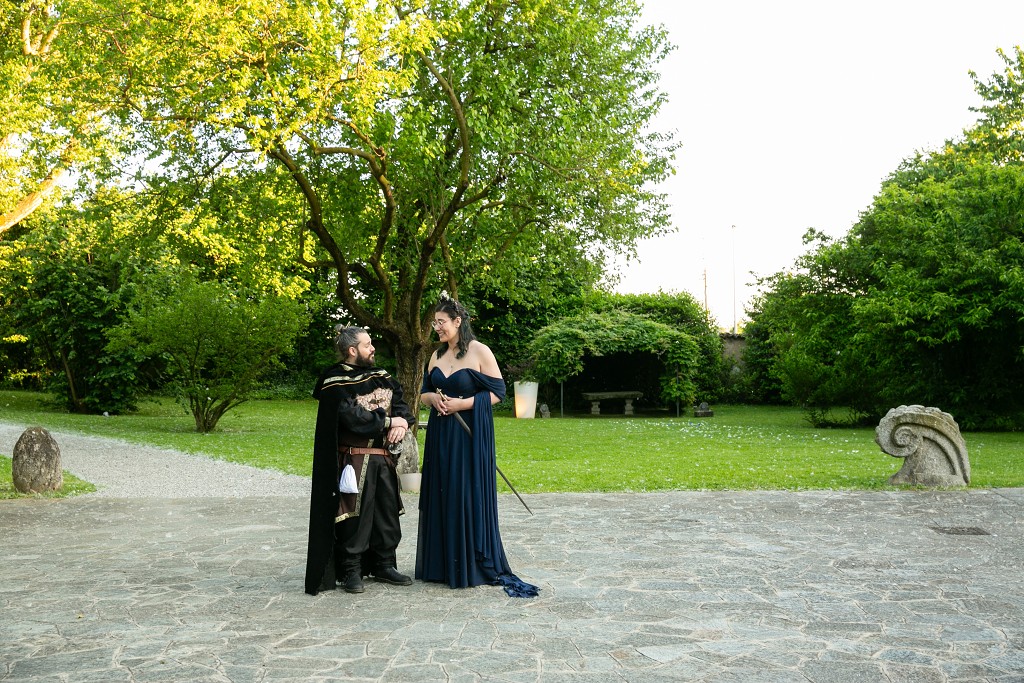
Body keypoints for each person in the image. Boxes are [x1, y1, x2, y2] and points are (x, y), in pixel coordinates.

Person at [415, 296, 539, 597]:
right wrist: (434, 400)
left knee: (463, 492)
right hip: (441, 434)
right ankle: (441, 565)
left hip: (468, 437)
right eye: (434, 322)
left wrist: (462, 403)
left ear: (457, 322)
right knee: (442, 490)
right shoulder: (435, 355)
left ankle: (469, 563)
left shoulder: (479, 351)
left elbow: (498, 392)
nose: (436, 327)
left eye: (441, 322)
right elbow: (424, 392)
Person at [304, 326, 415, 595]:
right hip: (354, 461)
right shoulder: (335, 382)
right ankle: (351, 571)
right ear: (352, 350)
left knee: (387, 515)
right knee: (354, 517)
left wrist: (401, 424)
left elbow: (402, 406)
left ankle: (384, 565)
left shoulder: (383, 376)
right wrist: (389, 422)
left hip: (384, 460)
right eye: (367, 345)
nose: (373, 348)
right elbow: (353, 418)